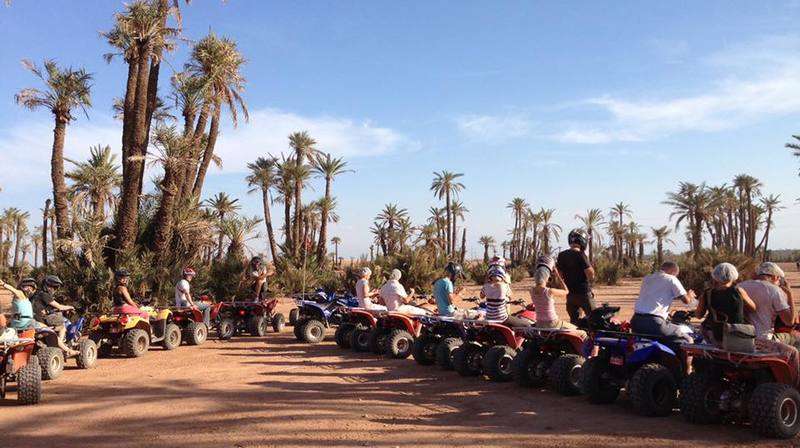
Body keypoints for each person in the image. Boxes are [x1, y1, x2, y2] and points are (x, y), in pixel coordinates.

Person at [631, 261, 697, 348]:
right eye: (676, 275)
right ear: (673, 272)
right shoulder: (671, 279)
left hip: (636, 321)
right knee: (688, 339)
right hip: (654, 323)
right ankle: (685, 362)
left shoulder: (647, 278)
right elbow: (686, 301)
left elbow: (656, 295)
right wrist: (690, 295)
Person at [738, 262, 798, 349]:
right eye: (779, 280)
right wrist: (790, 294)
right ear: (775, 277)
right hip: (764, 338)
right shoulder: (774, 290)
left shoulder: (740, 285)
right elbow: (789, 321)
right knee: (795, 338)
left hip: (742, 335)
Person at [695, 262, 757, 344]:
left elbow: (699, 315)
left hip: (716, 334)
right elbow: (753, 308)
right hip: (737, 334)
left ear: (715, 276)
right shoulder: (738, 292)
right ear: (734, 276)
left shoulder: (707, 294)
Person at [24, 276, 78, 355]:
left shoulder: (35, 294)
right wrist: (70, 307)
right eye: (53, 287)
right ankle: (67, 350)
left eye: (55, 287)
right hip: (39, 321)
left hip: (30, 320)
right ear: (47, 286)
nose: (54, 289)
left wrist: (48, 311)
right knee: (61, 327)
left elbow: (39, 307)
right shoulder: (44, 295)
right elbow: (59, 307)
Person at [557, 229, 596, 324]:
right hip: (583, 293)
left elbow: (559, 275)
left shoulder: (561, 255)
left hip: (570, 295)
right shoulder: (580, 254)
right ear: (583, 240)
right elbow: (590, 275)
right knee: (594, 319)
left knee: (574, 322)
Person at [530, 255, 580, 330]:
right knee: (580, 332)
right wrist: (558, 276)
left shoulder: (531, 290)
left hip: (539, 323)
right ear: (547, 277)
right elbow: (566, 291)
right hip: (552, 323)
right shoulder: (549, 291)